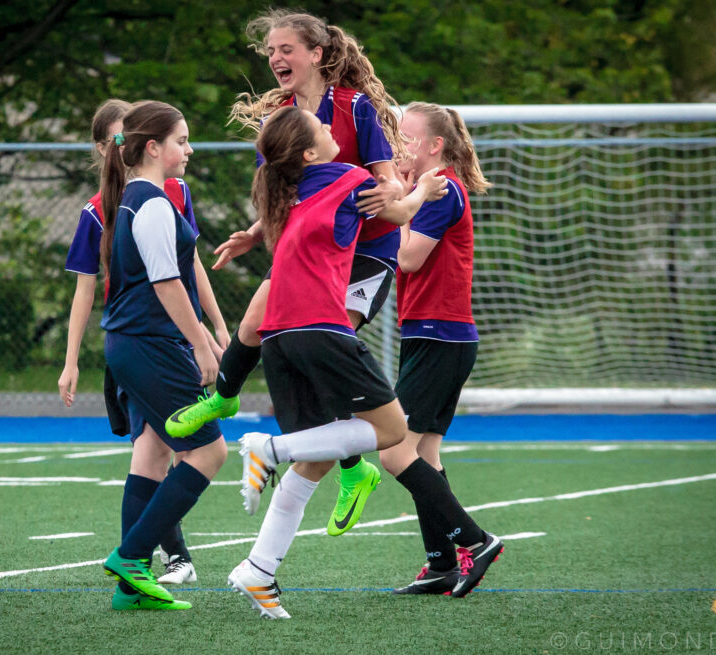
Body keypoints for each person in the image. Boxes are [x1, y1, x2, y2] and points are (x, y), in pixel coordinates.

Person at [166, 9, 407, 536]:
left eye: (285, 49)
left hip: (364, 252)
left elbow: (387, 183)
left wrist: (395, 195)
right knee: (256, 324)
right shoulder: (280, 113)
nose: (275, 58)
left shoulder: (355, 106)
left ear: (316, 54)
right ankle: (229, 398)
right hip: (312, 248)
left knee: (323, 346)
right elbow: (282, 193)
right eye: (270, 51)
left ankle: (340, 466)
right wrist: (256, 233)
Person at [226, 106, 447, 619]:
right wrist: (423, 192)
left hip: (277, 334)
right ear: (308, 152)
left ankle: (259, 571)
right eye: (322, 130)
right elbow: (397, 215)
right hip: (319, 326)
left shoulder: (284, 193)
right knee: (392, 430)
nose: (331, 130)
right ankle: (268, 448)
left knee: (317, 459)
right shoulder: (347, 175)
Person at [58, 99, 226, 589]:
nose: (189, 148)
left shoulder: (146, 197)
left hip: (137, 342)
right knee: (209, 453)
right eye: (181, 140)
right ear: (151, 147)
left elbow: (181, 270)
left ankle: (133, 585)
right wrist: (200, 342)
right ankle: (133, 557)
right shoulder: (147, 203)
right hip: (150, 343)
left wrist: (211, 327)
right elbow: (167, 283)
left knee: (151, 453)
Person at [377, 102, 503, 598]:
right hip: (436, 336)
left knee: (394, 452)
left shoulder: (440, 188)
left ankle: (476, 540)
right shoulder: (422, 190)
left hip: (439, 335)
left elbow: (407, 258)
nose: (398, 146)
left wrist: (401, 206)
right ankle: (441, 565)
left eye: (407, 138)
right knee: (424, 453)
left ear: (436, 146)